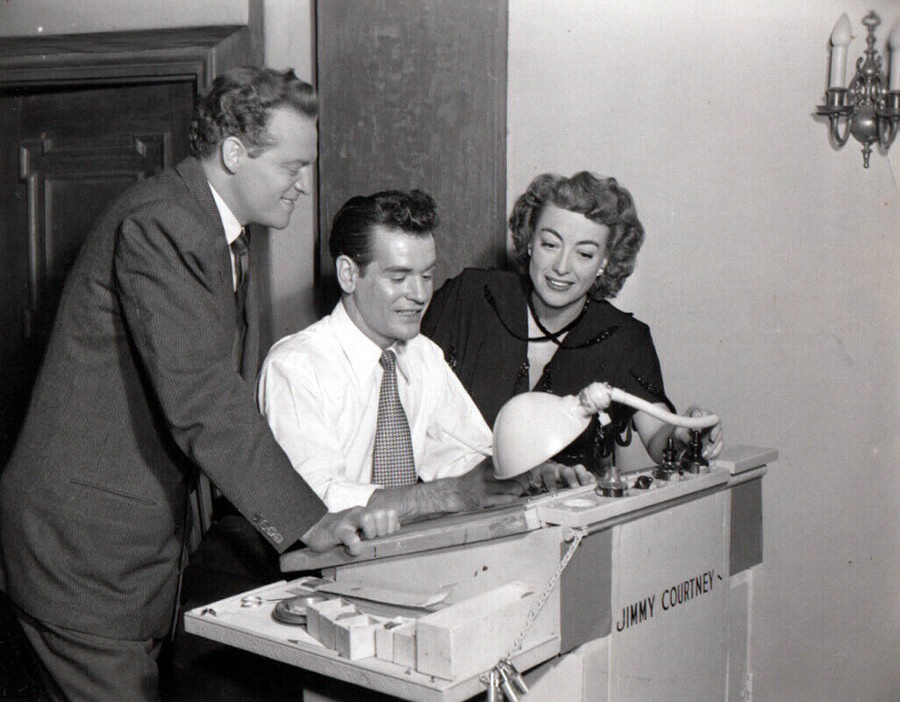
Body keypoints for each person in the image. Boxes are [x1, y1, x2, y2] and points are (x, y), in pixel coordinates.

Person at [0, 66, 398, 702]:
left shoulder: (217, 233)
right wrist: (309, 520)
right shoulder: (167, 222)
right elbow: (204, 401)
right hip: (83, 558)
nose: (302, 187)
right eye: (292, 168)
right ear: (235, 154)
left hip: (131, 559)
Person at [258, 189, 568, 522]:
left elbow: (463, 455)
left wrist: (528, 474)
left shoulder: (422, 355)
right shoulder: (295, 367)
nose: (420, 295)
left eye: (426, 276)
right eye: (398, 277)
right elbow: (312, 503)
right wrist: (445, 495)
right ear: (348, 274)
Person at [422, 171, 723, 479]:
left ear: (605, 261)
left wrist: (688, 435)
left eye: (584, 253)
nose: (562, 267)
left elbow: (660, 435)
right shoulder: (469, 297)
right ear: (529, 242)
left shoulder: (624, 339)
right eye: (550, 244)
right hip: (450, 509)